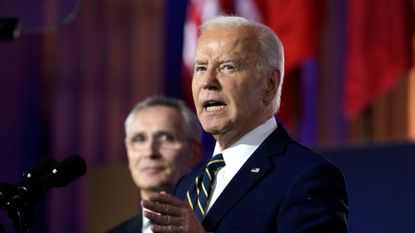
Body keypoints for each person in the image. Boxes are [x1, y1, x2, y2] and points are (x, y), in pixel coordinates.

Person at [141, 16, 349, 233]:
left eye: (228, 67)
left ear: (269, 84)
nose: (207, 82)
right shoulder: (187, 185)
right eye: (201, 68)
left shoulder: (306, 177)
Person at [107, 96, 202, 233]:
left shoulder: (216, 225)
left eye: (166, 138)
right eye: (139, 139)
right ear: (128, 150)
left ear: (194, 153)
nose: (150, 152)